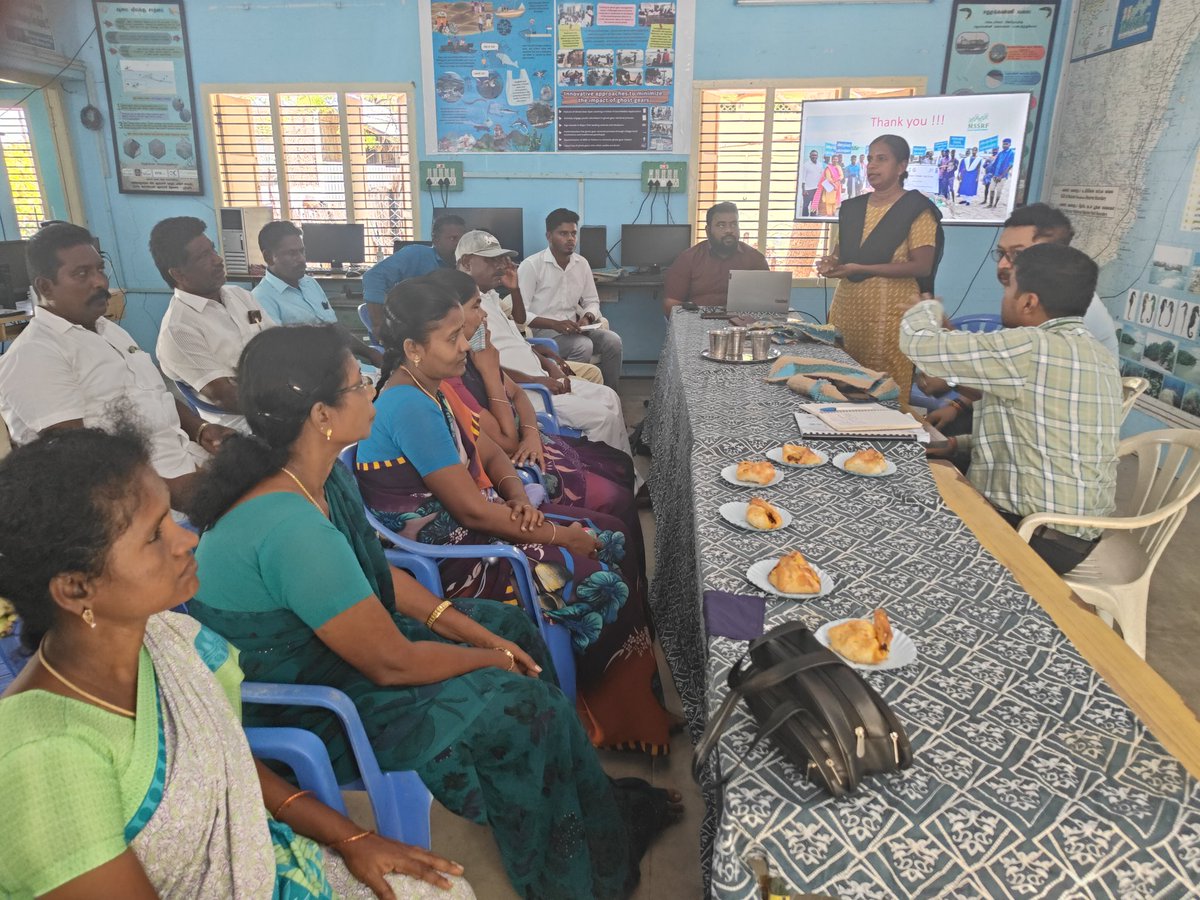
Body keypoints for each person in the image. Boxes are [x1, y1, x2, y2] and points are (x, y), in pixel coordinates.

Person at [185, 324, 678, 898]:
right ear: (322, 414)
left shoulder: (316, 479)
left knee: (510, 625)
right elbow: (391, 665)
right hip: (316, 701)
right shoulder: (288, 523)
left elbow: (381, 580)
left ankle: (580, 801)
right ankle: (565, 871)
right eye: (359, 385)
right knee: (517, 706)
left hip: (343, 646)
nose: (372, 392)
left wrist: (469, 630)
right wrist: (485, 662)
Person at [0, 426, 472, 899]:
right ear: (75, 588)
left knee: (442, 889)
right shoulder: (46, 757)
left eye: (170, 519)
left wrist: (350, 836)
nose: (183, 541)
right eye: (153, 536)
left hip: (263, 862)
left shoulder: (160, 640)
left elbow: (222, 757)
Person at [359, 279, 668, 754]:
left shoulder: (430, 390)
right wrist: (559, 535)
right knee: (591, 565)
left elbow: (487, 451)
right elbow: (467, 511)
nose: (466, 346)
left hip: (476, 524)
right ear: (412, 348)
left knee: (613, 530)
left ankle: (625, 697)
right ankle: (607, 717)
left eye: (464, 333)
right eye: (452, 338)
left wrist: (513, 493)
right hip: (453, 557)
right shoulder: (407, 405)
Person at [900, 242, 1120, 574]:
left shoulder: (1031, 347)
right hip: (1073, 536)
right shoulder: (1096, 354)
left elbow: (917, 342)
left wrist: (927, 306)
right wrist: (956, 445)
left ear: (1029, 301)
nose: (1004, 297)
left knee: (902, 509)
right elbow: (1039, 438)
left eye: (1010, 287)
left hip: (1033, 535)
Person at [0, 223, 233, 510]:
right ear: (45, 287)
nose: (99, 282)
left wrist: (201, 429)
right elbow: (78, 460)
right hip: (133, 500)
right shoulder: (34, 356)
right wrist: (180, 492)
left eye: (100, 269)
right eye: (82, 274)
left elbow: (155, 396)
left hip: (187, 462)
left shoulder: (109, 331)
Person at [433, 268, 640, 528]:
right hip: (517, 462)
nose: (484, 314)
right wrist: (489, 374)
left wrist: (530, 433)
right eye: (476, 307)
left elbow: (518, 395)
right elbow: (506, 444)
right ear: (454, 316)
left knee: (618, 464)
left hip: (530, 441)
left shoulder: (476, 349)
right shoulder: (453, 375)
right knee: (615, 496)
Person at [922, 203, 1121, 443]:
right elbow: (1000, 372)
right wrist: (956, 403)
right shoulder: (1032, 295)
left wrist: (948, 378)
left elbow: (1006, 383)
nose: (1004, 264)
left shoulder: (1067, 310)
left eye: (1018, 254)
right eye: (1002, 253)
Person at [457, 230, 636, 455]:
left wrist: (549, 366)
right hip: (529, 392)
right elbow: (483, 368)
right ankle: (609, 480)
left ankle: (627, 476)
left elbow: (518, 339)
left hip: (540, 378)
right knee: (602, 419)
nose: (500, 266)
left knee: (609, 396)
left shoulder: (490, 297)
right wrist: (538, 380)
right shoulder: (465, 311)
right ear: (466, 262)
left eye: (500, 259)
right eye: (491, 260)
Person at [818, 134, 942, 409]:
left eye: (882, 159)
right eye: (869, 159)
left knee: (882, 389)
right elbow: (843, 252)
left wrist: (862, 268)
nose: (872, 166)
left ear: (902, 166)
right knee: (843, 383)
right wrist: (831, 263)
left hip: (890, 313)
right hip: (848, 309)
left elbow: (921, 265)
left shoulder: (916, 209)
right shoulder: (853, 208)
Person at [152, 216, 274, 431]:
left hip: (280, 398)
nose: (218, 260)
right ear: (178, 273)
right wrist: (294, 404)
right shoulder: (178, 330)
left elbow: (279, 343)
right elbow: (227, 397)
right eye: (203, 256)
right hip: (246, 427)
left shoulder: (239, 296)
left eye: (213, 250)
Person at [516, 208, 624, 388]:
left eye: (573, 233)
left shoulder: (581, 264)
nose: (570, 239)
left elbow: (592, 301)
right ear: (549, 235)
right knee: (583, 346)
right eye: (563, 234)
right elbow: (521, 314)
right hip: (543, 331)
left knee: (613, 341)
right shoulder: (532, 265)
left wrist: (586, 317)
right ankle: (574, 392)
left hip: (574, 328)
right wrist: (554, 324)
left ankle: (609, 393)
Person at [253, 220, 384, 367]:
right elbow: (280, 357)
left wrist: (371, 353)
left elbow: (335, 330)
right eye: (292, 253)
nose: (302, 259)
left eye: (302, 251)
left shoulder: (309, 283)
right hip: (311, 376)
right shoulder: (261, 299)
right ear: (268, 257)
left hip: (342, 366)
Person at [362, 215, 467, 338]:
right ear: (435, 239)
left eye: (463, 240)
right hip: (417, 331)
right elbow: (373, 277)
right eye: (453, 239)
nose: (459, 245)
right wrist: (378, 323)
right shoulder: (416, 255)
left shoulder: (466, 264)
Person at [662, 202, 769, 316]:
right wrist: (691, 319)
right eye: (721, 225)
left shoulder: (755, 259)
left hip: (742, 325)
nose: (729, 230)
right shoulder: (688, 259)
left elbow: (769, 300)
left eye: (734, 224)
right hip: (698, 322)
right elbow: (670, 303)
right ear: (708, 230)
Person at [988, 138, 1015, 208]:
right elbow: (995, 164)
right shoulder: (1000, 153)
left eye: (1006, 144)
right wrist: (991, 173)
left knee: (999, 190)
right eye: (1003, 144)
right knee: (991, 189)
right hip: (995, 175)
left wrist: (1001, 176)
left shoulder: (1011, 153)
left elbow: (1010, 166)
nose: (1005, 145)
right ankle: (990, 204)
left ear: (1010, 144)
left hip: (1002, 176)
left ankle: (995, 204)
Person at [800, 149, 823, 218]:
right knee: (805, 205)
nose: (814, 156)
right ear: (809, 156)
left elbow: (821, 176)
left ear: (817, 156)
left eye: (815, 155)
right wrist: (803, 190)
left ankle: (813, 218)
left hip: (817, 189)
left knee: (814, 205)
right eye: (812, 155)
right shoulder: (806, 165)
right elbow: (803, 179)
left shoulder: (820, 164)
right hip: (808, 189)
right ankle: (804, 219)